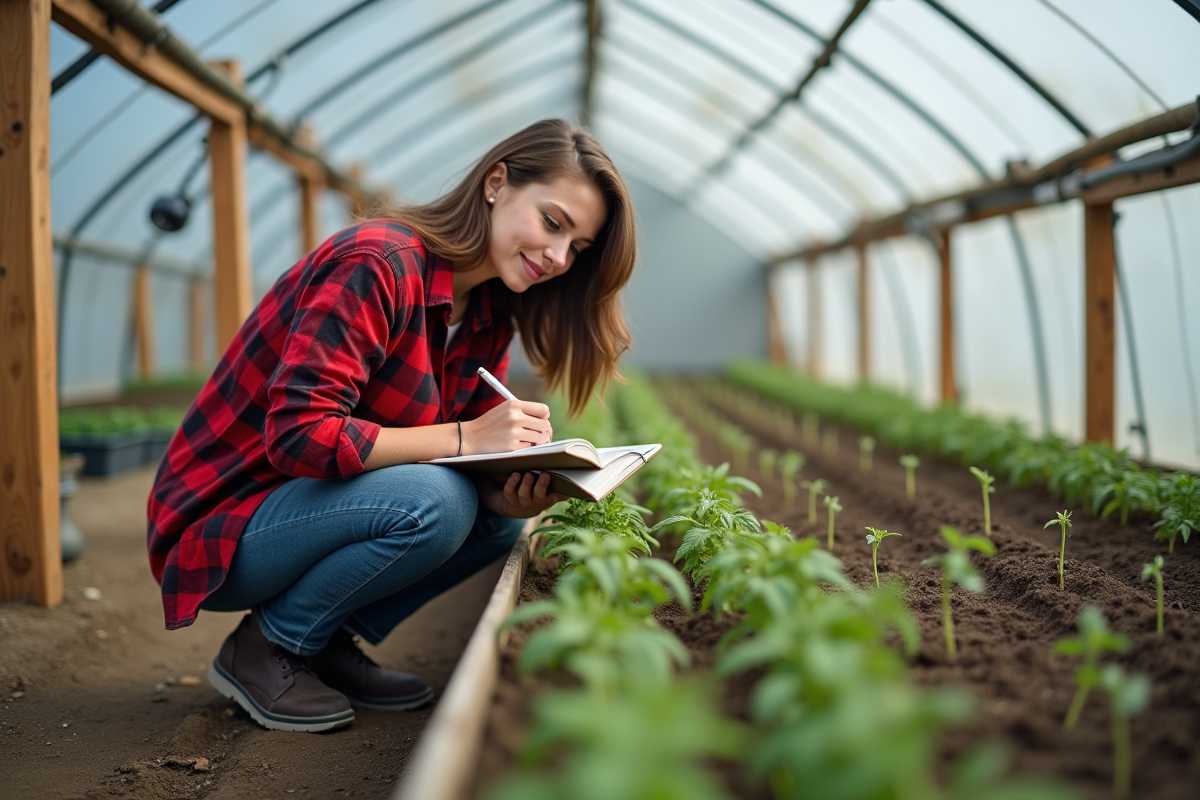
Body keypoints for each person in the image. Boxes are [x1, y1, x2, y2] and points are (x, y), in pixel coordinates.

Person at [146, 119, 636, 732]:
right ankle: (267, 645)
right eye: (553, 223)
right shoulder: (377, 261)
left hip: (307, 509)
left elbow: (448, 459)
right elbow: (299, 434)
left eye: (578, 249)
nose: (559, 257)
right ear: (495, 183)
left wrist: (507, 485)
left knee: (491, 523)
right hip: (223, 524)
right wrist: (468, 439)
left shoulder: (487, 312)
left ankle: (320, 641)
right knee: (434, 502)